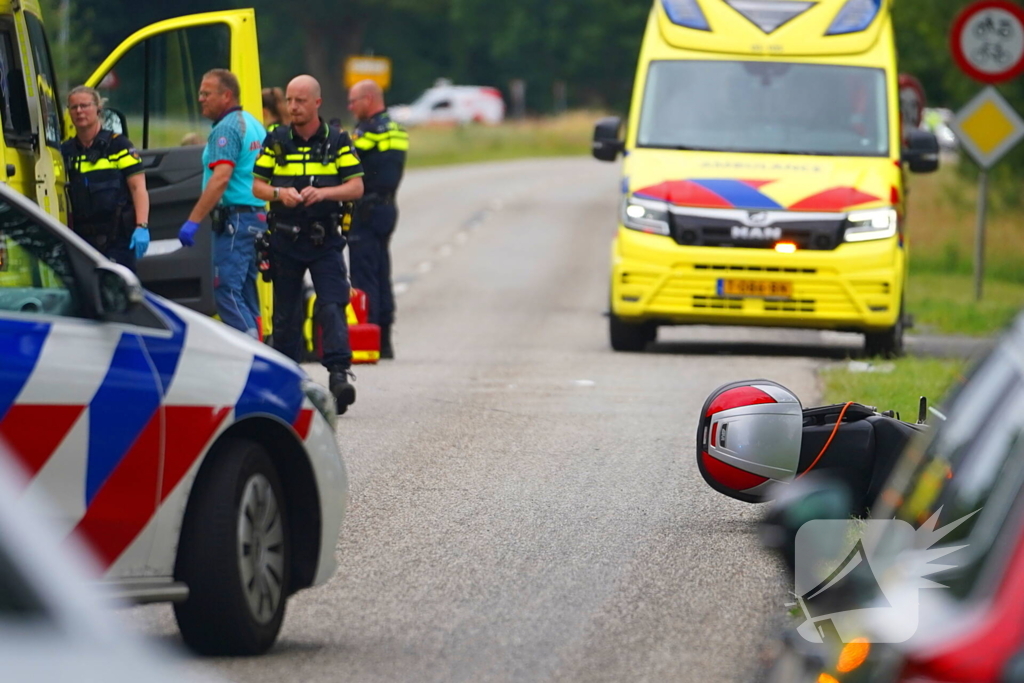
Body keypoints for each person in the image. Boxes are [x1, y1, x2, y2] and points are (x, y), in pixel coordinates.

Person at [252, 75, 364, 412]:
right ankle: (289, 383)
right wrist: (278, 193)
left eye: (300, 101)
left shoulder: (337, 141)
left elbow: (356, 186)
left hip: (324, 238)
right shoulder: (276, 140)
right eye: (288, 100)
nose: (293, 107)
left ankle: (338, 376)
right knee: (286, 315)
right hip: (285, 237)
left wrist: (325, 192)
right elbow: (257, 186)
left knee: (331, 305)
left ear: (317, 102)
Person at [177, 69, 267, 338]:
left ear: (227, 95)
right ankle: (262, 350)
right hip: (256, 217)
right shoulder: (251, 122)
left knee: (226, 289)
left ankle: (250, 353)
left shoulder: (226, 129)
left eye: (207, 93)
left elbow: (221, 178)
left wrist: (193, 221)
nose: (201, 99)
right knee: (246, 290)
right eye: (200, 93)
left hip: (235, 220)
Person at [347, 79, 408, 359]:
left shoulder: (368, 130)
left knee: (364, 274)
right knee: (382, 271)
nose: (350, 107)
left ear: (369, 99)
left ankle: (368, 338)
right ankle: (385, 339)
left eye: (353, 101)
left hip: (367, 210)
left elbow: (347, 159)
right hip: (388, 207)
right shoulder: (396, 129)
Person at [62, 85, 150, 271]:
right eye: (74, 107)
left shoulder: (118, 145)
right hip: (79, 240)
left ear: (98, 109)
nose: (79, 111)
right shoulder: (66, 152)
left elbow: (138, 187)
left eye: (85, 106)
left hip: (116, 240)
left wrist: (141, 226)